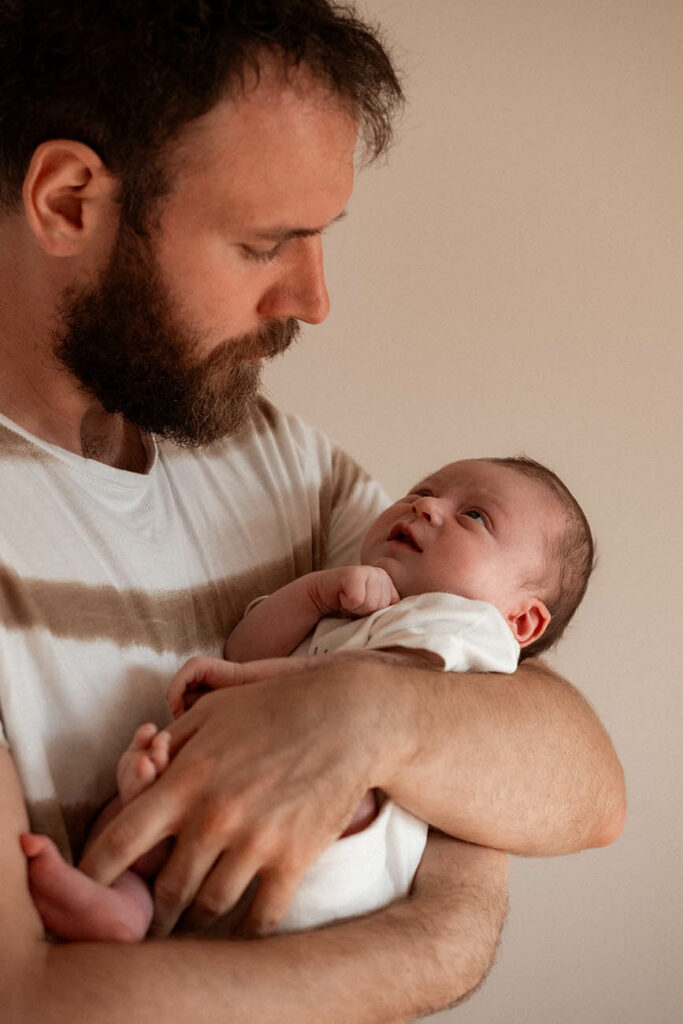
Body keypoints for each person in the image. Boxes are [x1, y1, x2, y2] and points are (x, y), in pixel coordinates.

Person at [0, 3, 625, 1022]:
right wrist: (438, 931)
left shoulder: (264, 453)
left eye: (320, 238)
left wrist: (358, 712)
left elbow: (579, 782)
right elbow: (31, 999)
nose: (313, 297)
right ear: (69, 201)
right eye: (264, 243)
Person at [23, 454, 596, 943]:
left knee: (341, 783)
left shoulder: (469, 626)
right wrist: (314, 594)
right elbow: (245, 647)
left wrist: (240, 682)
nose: (426, 507)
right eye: (421, 491)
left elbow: (375, 689)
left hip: (338, 839)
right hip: (245, 805)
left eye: (474, 516)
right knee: (154, 790)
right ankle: (122, 903)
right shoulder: (358, 599)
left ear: (522, 619)